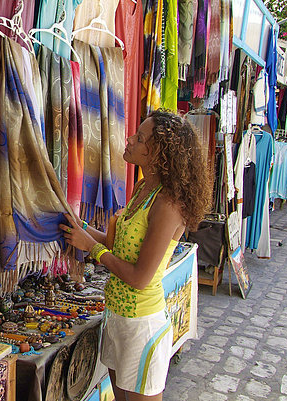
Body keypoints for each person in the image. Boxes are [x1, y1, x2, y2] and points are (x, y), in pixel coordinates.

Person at [61, 110, 212, 400]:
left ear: (158, 152)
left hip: (141, 327)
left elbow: (140, 277)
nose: (129, 140)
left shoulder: (168, 204)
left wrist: (91, 247)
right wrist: (82, 229)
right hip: (118, 319)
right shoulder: (144, 187)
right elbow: (118, 246)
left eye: (139, 138)